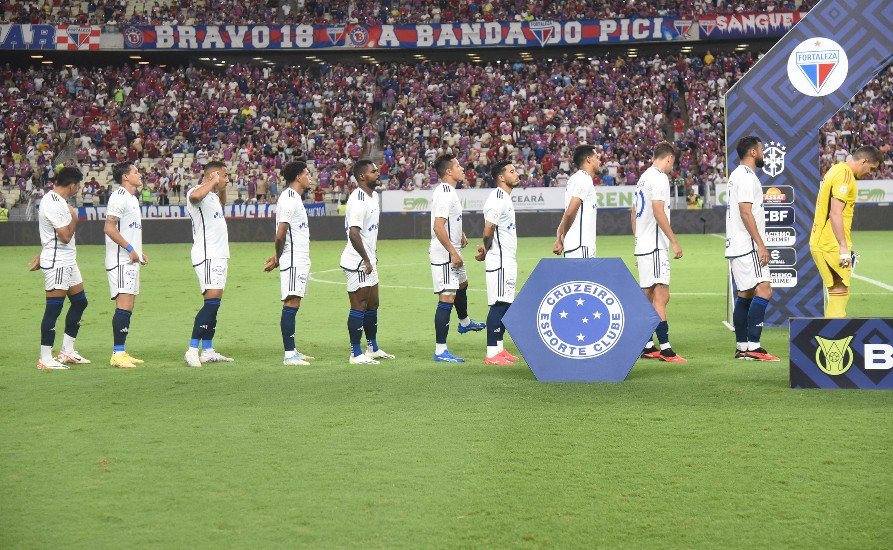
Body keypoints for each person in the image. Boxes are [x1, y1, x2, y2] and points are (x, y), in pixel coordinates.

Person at [810, 145, 883, 318]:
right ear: (864, 161)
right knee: (840, 291)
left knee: (837, 291)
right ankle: (832, 338)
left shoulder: (837, 169)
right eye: (871, 168)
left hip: (824, 240)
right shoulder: (845, 175)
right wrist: (843, 246)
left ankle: (831, 333)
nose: (869, 173)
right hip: (829, 243)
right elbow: (835, 212)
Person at [29, 167, 91, 370]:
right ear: (72, 185)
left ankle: (67, 351)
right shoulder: (54, 203)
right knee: (53, 309)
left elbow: (50, 234)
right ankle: (45, 357)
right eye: (78, 185)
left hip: (67, 260)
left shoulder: (57, 201)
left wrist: (41, 254)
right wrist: (75, 219)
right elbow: (64, 236)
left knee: (80, 302)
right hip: (58, 263)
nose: (78, 189)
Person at [632, 141, 686, 363]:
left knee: (649, 295)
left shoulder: (642, 178)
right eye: (673, 163)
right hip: (655, 246)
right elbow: (657, 210)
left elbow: (634, 211)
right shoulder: (660, 178)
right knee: (662, 295)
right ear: (669, 158)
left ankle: (646, 345)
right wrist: (673, 241)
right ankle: (666, 349)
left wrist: (637, 244)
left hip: (644, 245)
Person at [725, 136, 778, 361]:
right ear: (753, 152)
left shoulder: (736, 175)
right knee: (764, 289)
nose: (764, 153)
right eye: (762, 149)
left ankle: (743, 347)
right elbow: (746, 211)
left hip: (736, 245)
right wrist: (760, 243)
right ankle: (754, 347)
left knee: (745, 293)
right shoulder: (746, 177)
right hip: (747, 245)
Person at [429, 153, 485, 363]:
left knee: (463, 284)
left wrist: (458, 234)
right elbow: (438, 225)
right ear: (448, 172)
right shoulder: (445, 193)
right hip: (445, 253)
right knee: (447, 297)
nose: (462, 168)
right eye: (458, 165)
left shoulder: (449, 191)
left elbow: (447, 220)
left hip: (452, 248)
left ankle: (464, 321)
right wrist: (452, 251)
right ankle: (440, 350)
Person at [339, 160, 395, 365]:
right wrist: (365, 258)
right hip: (357, 261)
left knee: (373, 303)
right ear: (362, 176)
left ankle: (372, 347)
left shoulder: (373, 196)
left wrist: (372, 255)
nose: (378, 173)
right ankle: (355, 352)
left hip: (369, 259)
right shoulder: (358, 198)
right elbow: (354, 233)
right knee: (359, 304)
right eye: (373, 171)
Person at [263, 160, 315, 366]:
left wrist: (278, 257)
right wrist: (278, 257)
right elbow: (280, 234)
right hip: (293, 259)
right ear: (298, 177)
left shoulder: (295, 199)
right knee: (291, 302)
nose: (309, 177)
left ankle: (292, 350)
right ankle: (288, 354)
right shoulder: (288, 199)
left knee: (295, 302)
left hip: (298, 258)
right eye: (307, 173)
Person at [183, 161, 233, 367]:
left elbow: (221, 203)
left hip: (219, 255)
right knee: (211, 303)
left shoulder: (212, 196)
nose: (228, 179)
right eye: (225, 175)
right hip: (208, 255)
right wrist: (213, 180)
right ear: (213, 175)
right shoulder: (196, 192)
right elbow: (194, 197)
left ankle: (208, 350)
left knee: (214, 305)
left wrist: (219, 186)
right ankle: (192, 349)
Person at [475, 160, 521, 365]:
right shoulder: (497, 198)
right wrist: (486, 248)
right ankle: (492, 353)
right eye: (512, 171)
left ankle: (500, 348)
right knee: (499, 304)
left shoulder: (506, 198)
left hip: (507, 259)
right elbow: (488, 229)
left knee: (506, 304)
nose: (516, 173)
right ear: (501, 177)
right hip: (500, 260)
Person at [103, 162, 149, 369]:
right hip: (120, 260)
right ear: (125, 177)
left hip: (130, 259)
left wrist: (138, 251)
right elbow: (109, 228)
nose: (140, 174)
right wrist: (130, 249)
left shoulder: (132, 198)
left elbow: (127, 229)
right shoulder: (118, 197)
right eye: (135, 172)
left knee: (129, 306)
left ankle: (121, 350)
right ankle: (117, 353)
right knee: (123, 305)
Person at [553, 144, 601, 257]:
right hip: (581, 246)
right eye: (597, 157)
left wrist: (559, 237)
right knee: (585, 275)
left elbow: (567, 213)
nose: (599, 161)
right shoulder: (584, 179)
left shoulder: (574, 179)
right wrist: (564, 236)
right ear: (589, 159)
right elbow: (570, 213)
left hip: (574, 247)